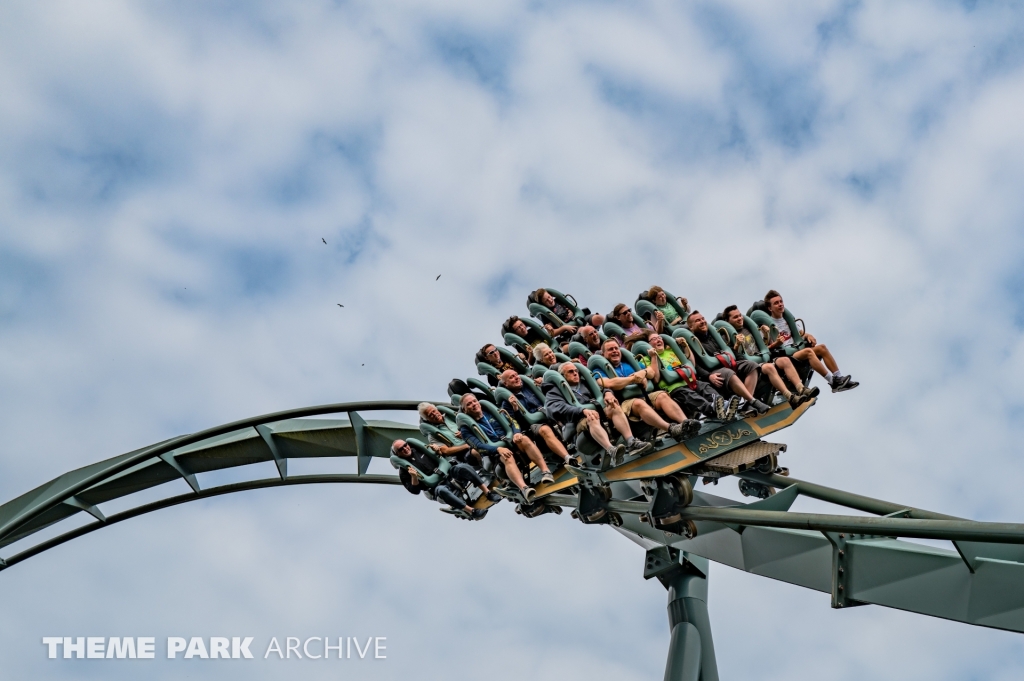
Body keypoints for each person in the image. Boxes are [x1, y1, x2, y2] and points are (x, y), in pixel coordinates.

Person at [543, 362, 653, 466]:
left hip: (600, 412)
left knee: (614, 407)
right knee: (592, 417)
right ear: (562, 376)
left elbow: (603, 388)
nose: (575, 373)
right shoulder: (554, 391)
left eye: (576, 370)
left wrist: (608, 393)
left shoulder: (585, 383)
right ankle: (611, 450)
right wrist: (581, 410)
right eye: (570, 372)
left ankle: (631, 442)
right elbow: (553, 408)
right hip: (579, 420)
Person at [591, 339, 701, 440]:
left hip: (644, 395)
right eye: (610, 349)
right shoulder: (599, 369)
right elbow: (608, 383)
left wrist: (643, 373)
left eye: (616, 348)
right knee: (638, 403)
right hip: (624, 403)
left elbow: (651, 372)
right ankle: (671, 428)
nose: (615, 351)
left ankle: (686, 423)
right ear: (604, 354)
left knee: (662, 395)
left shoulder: (628, 364)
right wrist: (634, 378)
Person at [457, 393, 554, 502]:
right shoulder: (466, 430)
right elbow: (479, 447)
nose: (474, 404)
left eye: (474, 401)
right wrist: (497, 449)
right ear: (465, 410)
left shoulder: (492, 412)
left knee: (524, 439)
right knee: (506, 456)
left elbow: (512, 421)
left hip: (511, 442)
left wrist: (516, 432)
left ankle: (546, 472)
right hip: (495, 453)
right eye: (469, 404)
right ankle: (524, 488)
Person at [763, 290, 858, 393]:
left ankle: (839, 377)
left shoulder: (787, 319)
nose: (780, 304)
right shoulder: (767, 325)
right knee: (809, 352)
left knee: (822, 348)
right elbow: (764, 349)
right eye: (776, 303)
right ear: (770, 308)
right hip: (785, 355)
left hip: (797, 349)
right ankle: (832, 382)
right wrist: (776, 343)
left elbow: (800, 333)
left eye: (781, 301)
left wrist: (809, 336)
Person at [722, 305, 812, 409]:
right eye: (735, 317)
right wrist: (737, 344)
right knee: (769, 367)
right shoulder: (726, 338)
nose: (739, 318)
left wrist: (765, 334)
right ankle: (790, 397)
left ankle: (801, 389)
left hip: (763, 360)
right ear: (728, 321)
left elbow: (763, 346)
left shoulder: (749, 329)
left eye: (739, 316)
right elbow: (733, 356)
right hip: (749, 366)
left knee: (785, 360)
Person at [636, 331, 737, 421]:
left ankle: (723, 404)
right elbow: (656, 379)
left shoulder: (671, 351)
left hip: (689, 381)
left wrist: (685, 346)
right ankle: (714, 408)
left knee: (704, 387)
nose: (658, 340)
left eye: (659, 338)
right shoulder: (645, 359)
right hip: (674, 388)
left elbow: (691, 364)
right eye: (654, 339)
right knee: (689, 395)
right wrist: (653, 357)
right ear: (648, 344)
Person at [686, 311, 771, 414]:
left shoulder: (715, 336)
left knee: (752, 366)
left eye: (703, 318)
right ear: (691, 327)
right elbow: (695, 366)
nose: (702, 322)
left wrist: (742, 361)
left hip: (729, 363)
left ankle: (746, 404)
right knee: (728, 372)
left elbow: (730, 350)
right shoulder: (691, 344)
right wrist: (708, 376)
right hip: (715, 371)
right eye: (698, 320)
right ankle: (752, 401)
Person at [390, 439, 500, 518]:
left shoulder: (420, 450)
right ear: (397, 454)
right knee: (441, 490)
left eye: (405, 445)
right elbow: (414, 491)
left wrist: (437, 451)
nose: (405, 448)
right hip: (437, 486)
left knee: (462, 467)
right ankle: (472, 511)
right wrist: (414, 477)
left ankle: (488, 493)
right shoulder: (404, 472)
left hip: (449, 474)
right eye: (401, 449)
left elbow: (441, 455)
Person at [497, 370, 574, 466]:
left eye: (516, 374)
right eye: (511, 377)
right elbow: (514, 422)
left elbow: (551, 395)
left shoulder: (530, 385)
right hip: (533, 425)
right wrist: (516, 409)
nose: (516, 377)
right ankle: (568, 458)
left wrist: (543, 383)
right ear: (506, 384)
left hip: (549, 414)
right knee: (544, 429)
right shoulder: (506, 402)